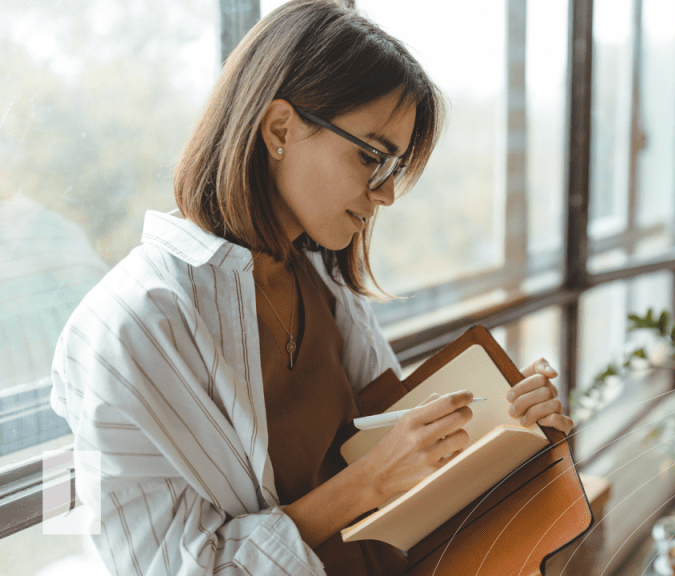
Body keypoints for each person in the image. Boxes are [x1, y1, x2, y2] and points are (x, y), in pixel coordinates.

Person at [48, 2, 573, 575]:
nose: (387, 194)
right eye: (371, 156)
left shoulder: (322, 285)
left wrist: (513, 430)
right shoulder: (133, 325)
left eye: (393, 165)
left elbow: (403, 471)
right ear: (280, 128)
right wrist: (364, 485)